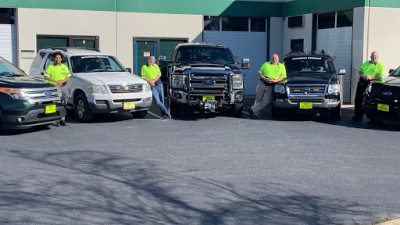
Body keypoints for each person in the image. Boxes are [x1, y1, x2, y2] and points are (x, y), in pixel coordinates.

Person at [249, 54, 286, 119]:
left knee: (266, 101)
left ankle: (252, 109)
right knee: (258, 100)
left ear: (278, 58)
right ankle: (255, 114)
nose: (274, 59)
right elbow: (260, 73)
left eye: (275, 57)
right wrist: (265, 79)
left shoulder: (281, 66)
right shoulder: (266, 64)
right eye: (273, 57)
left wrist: (275, 81)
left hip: (271, 85)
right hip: (262, 83)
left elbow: (283, 77)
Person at [353, 51, 384, 121]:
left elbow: (380, 77)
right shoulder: (366, 63)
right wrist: (363, 76)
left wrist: (371, 77)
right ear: (370, 57)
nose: (374, 57)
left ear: (378, 57)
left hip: (372, 84)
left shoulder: (380, 65)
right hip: (362, 82)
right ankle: (357, 115)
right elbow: (360, 71)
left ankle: (374, 117)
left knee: (370, 100)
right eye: (373, 56)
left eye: (375, 56)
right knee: (358, 99)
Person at [44, 51, 70, 126]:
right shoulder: (50, 67)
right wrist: (56, 82)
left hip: (63, 86)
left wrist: (62, 82)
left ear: (61, 59)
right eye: (56, 58)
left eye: (59, 58)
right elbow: (46, 76)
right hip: (54, 87)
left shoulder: (64, 67)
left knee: (64, 102)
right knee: (55, 103)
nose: (57, 59)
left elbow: (68, 76)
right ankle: (54, 120)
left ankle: (63, 119)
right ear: (54, 59)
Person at [141, 56, 171, 121]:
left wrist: (153, 81)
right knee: (157, 101)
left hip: (159, 85)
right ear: (148, 59)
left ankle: (165, 116)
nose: (151, 60)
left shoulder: (155, 66)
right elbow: (143, 77)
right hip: (152, 86)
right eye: (150, 59)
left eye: (153, 59)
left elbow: (159, 74)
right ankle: (167, 112)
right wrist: (150, 81)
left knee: (162, 100)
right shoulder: (144, 67)